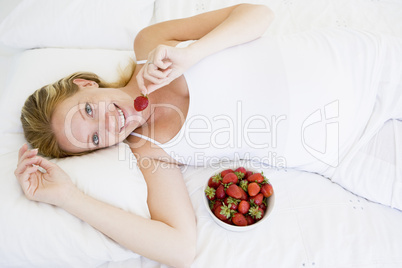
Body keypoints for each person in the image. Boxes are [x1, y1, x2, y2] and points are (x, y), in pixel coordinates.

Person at [14, 2, 402, 267]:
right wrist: (67, 197)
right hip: (351, 148)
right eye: (95, 138)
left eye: (88, 110)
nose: (109, 124)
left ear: (85, 84)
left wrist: (192, 54)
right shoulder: (152, 151)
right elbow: (179, 249)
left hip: (362, 65)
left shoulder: (149, 45)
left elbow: (257, 13)